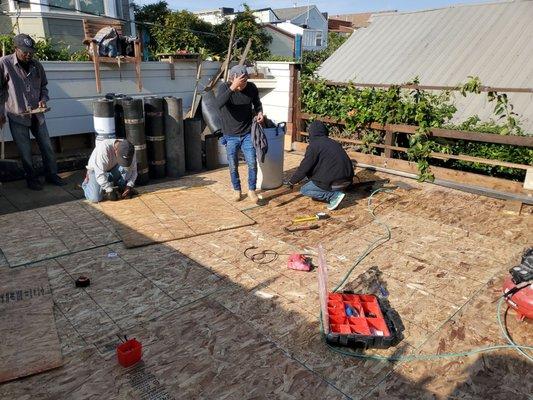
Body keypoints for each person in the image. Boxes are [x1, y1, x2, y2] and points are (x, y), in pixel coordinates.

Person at [0, 34, 65, 190]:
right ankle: (31, 179)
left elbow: (44, 87)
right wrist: (0, 112)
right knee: (25, 151)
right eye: (24, 51)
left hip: (37, 114)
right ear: (15, 49)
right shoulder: (4, 63)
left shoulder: (37, 65)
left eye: (30, 51)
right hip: (17, 115)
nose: (28, 54)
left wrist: (43, 99)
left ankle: (52, 175)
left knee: (47, 146)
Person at [216, 65, 264, 203]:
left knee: (252, 163)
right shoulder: (224, 88)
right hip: (230, 135)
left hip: (247, 132)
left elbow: (257, 103)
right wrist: (233, 87)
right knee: (233, 165)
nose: (242, 87)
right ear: (232, 79)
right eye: (240, 83)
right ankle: (237, 190)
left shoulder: (252, 88)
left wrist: (260, 112)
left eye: (244, 83)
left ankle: (251, 190)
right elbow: (218, 104)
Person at [285, 121, 354, 211]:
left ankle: (333, 196)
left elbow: (304, 167)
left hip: (336, 183)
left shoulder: (314, 146)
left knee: (305, 190)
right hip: (348, 181)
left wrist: (292, 182)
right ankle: (336, 190)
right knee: (315, 182)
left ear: (311, 133)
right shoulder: (334, 143)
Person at [82, 139, 137, 203]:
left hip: (112, 169)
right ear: (115, 150)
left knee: (126, 168)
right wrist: (109, 190)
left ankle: (121, 187)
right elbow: (100, 174)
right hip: (96, 171)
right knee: (95, 198)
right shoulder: (104, 149)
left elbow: (134, 171)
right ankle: (86, 183)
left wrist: (129, 185)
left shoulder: (130, 149)